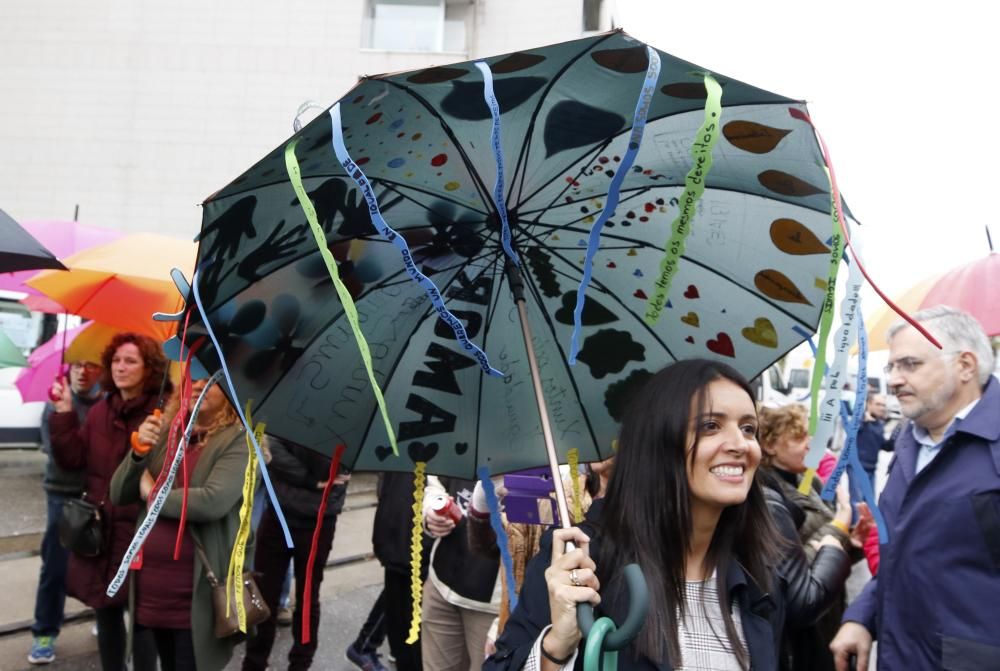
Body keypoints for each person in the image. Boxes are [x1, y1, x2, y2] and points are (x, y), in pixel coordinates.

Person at [485, 358, 786, 670]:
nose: (740, 444)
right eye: (711, 426)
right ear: (659, 441)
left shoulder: (759, 579)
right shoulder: (585, 562)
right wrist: (557, 646)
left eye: (749, 428)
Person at [831, 306, 1000, 671]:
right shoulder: (910, 440)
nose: (893, 379)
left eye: (910, 364)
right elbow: (903, 559)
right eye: (892, 366)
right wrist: (863, 615)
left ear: (966, 365)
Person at [110, 375, 248, 670]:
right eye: (193, 379)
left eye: (211, 381)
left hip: (196, 593)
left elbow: (211, 501)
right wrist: (138, 452)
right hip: (153, 587)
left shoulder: (239, 440)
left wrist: (151, 493)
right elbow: (119, 493)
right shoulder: (170, 432)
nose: (199, 385)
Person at [48, 333, 165, 671]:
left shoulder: (161, 414)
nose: (120, 367)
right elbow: (73, 459)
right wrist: (64, 413)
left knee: (141, 619)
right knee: (106, 610)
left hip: (139, 532)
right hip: (102, 532)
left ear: (149, 368)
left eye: (130, 361)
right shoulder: (101, 410)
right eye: (115, 360)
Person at [758, 405, 866, 671]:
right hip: (802, 635)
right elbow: (791, 571)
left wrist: (852, 542)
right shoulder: (767, 495)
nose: (809, 445)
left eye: (809, 436)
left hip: (829, 611)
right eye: (798, 438)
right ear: (770, 445)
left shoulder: (809, 480)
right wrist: (839, 524)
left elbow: (827, 554)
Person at [242, 437, 350, 671]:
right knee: (262, 595)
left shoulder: (350, 422)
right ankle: (254, 663)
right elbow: (274, 452)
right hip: (279, 513)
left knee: (308, 597)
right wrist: (311, 480)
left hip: (319, 519)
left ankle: (300, 664)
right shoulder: (292, 408)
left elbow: (334, 466)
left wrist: (309, 472)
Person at [28, 358, 103, 665]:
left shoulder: (107, 404)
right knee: (56, 567)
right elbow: (60, 456)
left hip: (98, 496)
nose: (83, 372)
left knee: (102, 562)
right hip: (62, 496)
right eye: (77, 366)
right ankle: (44, 632)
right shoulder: (56, 401)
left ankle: (105, 616)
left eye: (91, 365)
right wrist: (66, 415)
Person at [346, 471, 431, 671]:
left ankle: (369, 644)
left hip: (399, 536)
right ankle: (366, 645)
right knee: (402, 600)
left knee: (399, 600)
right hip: (408, 540)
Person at [421, 475, 501, 671]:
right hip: (440, 584)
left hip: (492, 607)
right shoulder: (464, 445)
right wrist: (431, 511)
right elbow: (434, 482)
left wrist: (506, 618)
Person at [855, 394, 894, 488]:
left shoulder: (879, 424)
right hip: (857, 469)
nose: (881, 408)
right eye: (878, 404)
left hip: (871, 469)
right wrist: (863, 419)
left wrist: (898, 433)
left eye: (883, 405)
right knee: (858, 502)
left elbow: (885, 446)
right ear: (869, 404)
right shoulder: (860, 419)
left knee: (869, 501)